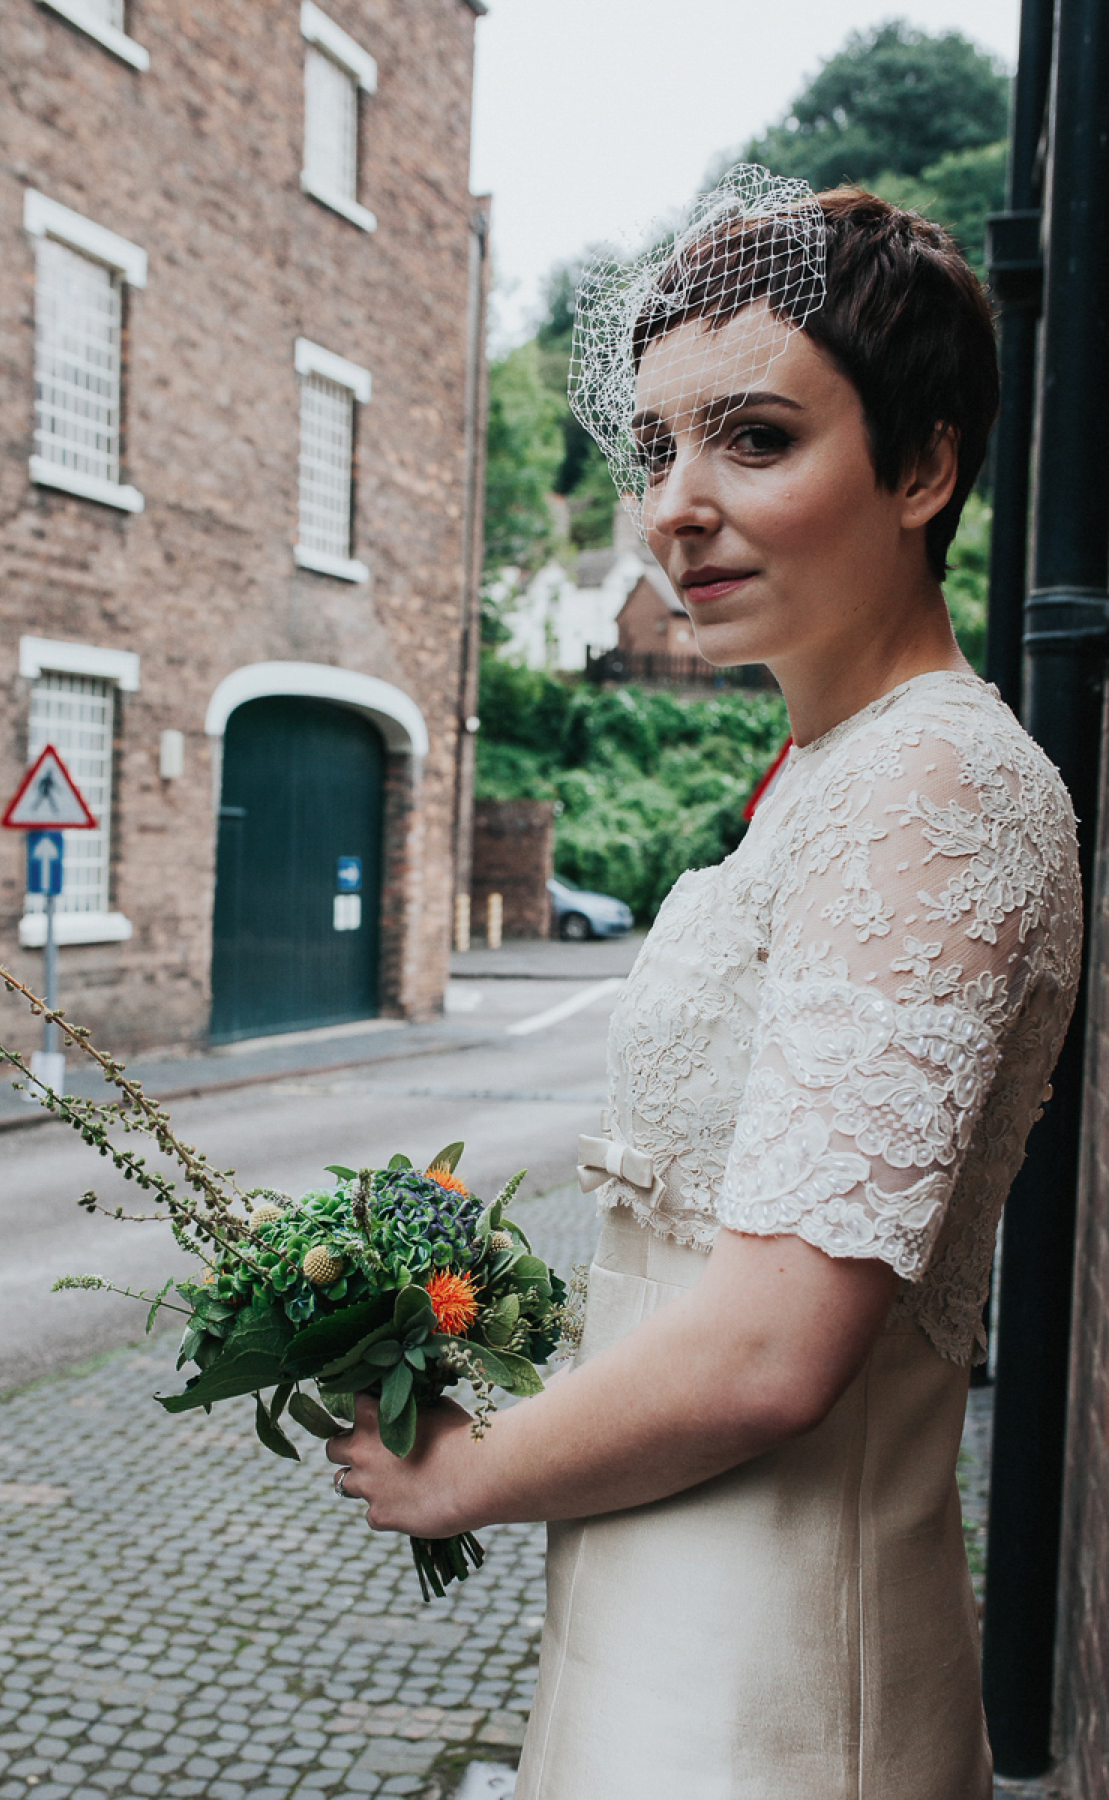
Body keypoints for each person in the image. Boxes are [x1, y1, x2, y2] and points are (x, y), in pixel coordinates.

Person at [326, 177, 1082, 1799]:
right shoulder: (828, 771)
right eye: (656, 446)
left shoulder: (935, 790)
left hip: (773, 1672)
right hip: (661, 1603)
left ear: (925, 466)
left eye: (752, 437)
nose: (674, 504)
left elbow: (770, 1349)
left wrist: (463, 1478)